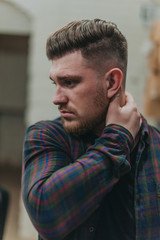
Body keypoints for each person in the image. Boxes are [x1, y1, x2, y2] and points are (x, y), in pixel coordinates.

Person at [22, 19, 160, 240]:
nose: (57, 98)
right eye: (54, 83)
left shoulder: (156, 146)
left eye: (69, 82)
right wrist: (117, 139)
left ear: (112, 83)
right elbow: (45, 214)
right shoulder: (48, 136)